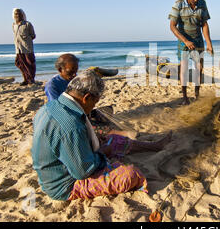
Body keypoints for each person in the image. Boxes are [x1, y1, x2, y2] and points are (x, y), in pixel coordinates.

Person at [33, 70, 166, 200]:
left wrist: (93, 142)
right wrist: (102, 153)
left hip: (65, 164)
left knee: (114, 140)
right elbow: (82, 171)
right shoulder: (71, 126)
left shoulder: (49, 107)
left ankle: (154, 146)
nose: (93, 107)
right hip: (65, 184)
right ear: (86, 98)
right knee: (132, 175)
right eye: (94, 102)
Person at [43, 57, 172, 162]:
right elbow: (62, 111)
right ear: (60, 69)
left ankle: (116, 133)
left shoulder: (71, 82)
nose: (74, 74)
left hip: (77, 115)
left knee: (105, 111)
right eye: (71, 71)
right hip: (74, 117)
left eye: (76, 71)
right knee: (114, 142)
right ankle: (123, 135)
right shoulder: (53, 87)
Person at [169, 0, 213, 105]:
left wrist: (209, 43)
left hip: (198, 41)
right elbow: (172, 26)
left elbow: (204, 25)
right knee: (183, 69)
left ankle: (197, 95)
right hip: (184, 41)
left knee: (199, 69)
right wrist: (186, 41)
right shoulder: (179, 4)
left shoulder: (202, 3)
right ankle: (184, 97)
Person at [13, 8, 36, 86]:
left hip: (27, 48)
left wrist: (26, 40)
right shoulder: (14, 25)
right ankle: (26, 79)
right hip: (18, 49)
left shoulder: (27, 24)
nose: (17, 15)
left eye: (19, 13)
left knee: (29, 64)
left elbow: (33, 35)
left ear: (22, 15)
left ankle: (31, 80)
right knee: (19, 63)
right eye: (16, 14)